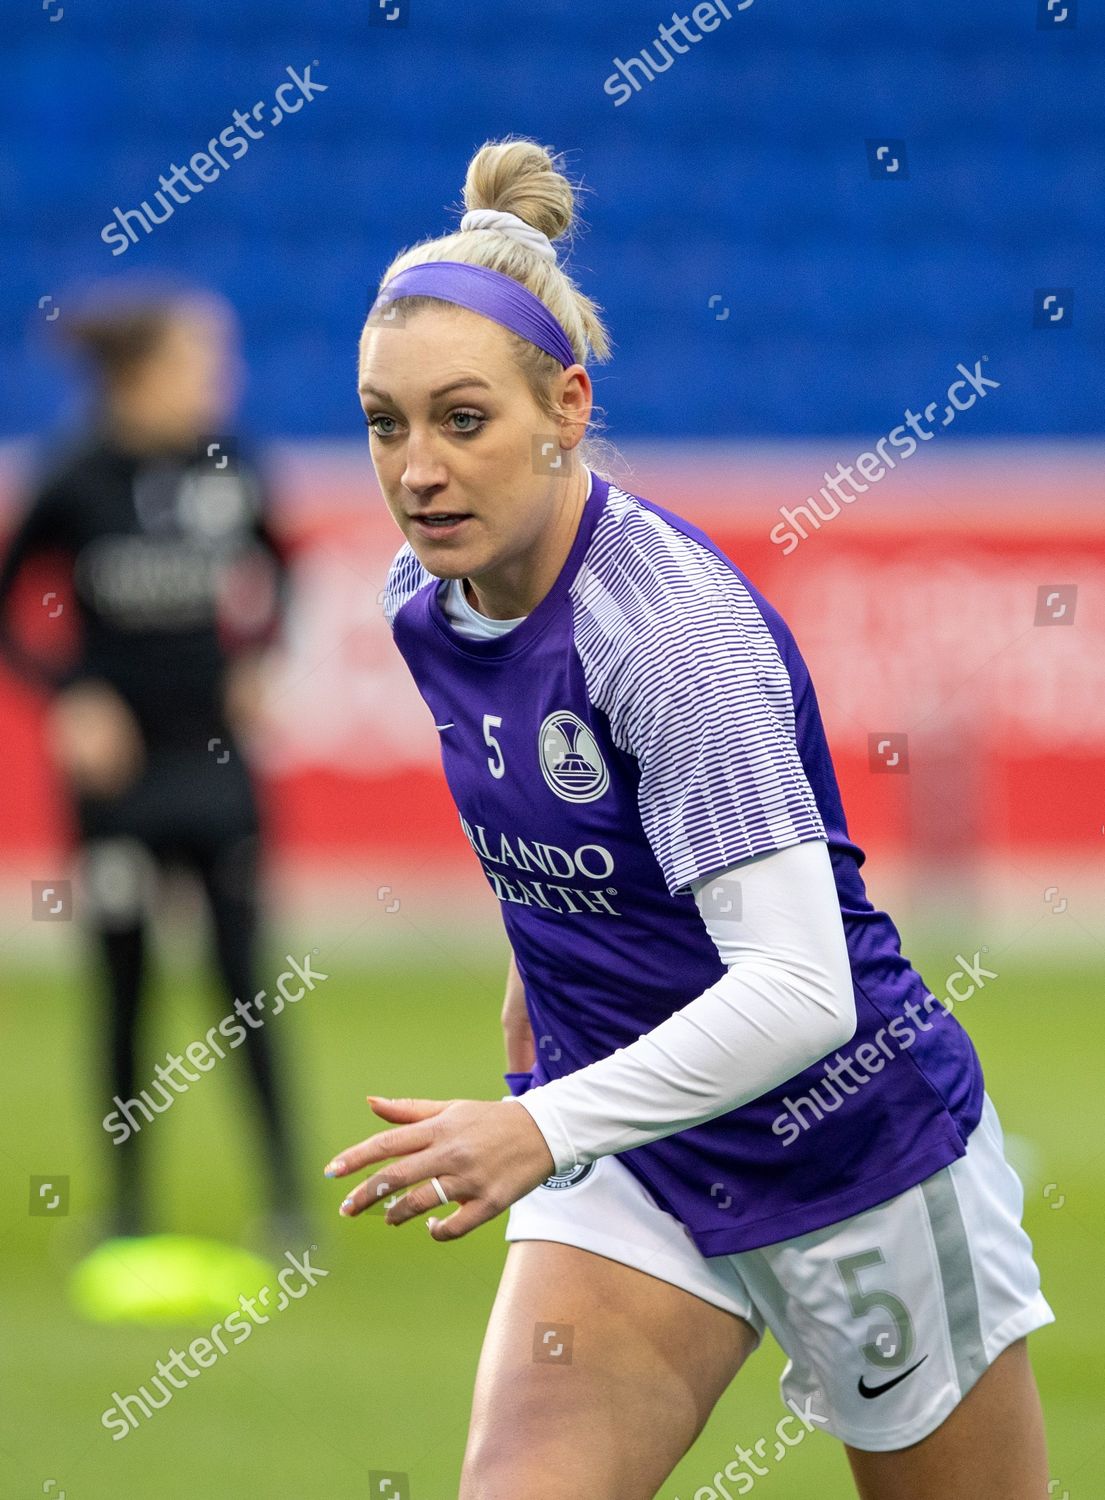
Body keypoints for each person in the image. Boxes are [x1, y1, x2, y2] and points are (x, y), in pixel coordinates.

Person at [325, 137, 1053, 1499]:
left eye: (462, 420)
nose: (417, 469)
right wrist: (531, 968)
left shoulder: (666, 631)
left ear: (566, 407)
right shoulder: (420, 602)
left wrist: (535, 1129)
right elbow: (568, 821)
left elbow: (799, 991)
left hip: (851, 1156)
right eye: (384, 422)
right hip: (636, 1157)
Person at [0, 282, 303, 1266]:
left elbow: (282, 573)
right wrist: (69, 695)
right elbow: (13, 611)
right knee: (122, 982)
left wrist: (260, 653)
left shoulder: (233, 465)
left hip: (216, 770)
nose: (223, 379)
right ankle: (127, 1207)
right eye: (203, 359)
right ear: (141, 374)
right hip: (119, 785)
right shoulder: (75, 477)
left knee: (243, 981)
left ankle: (287, 1199)